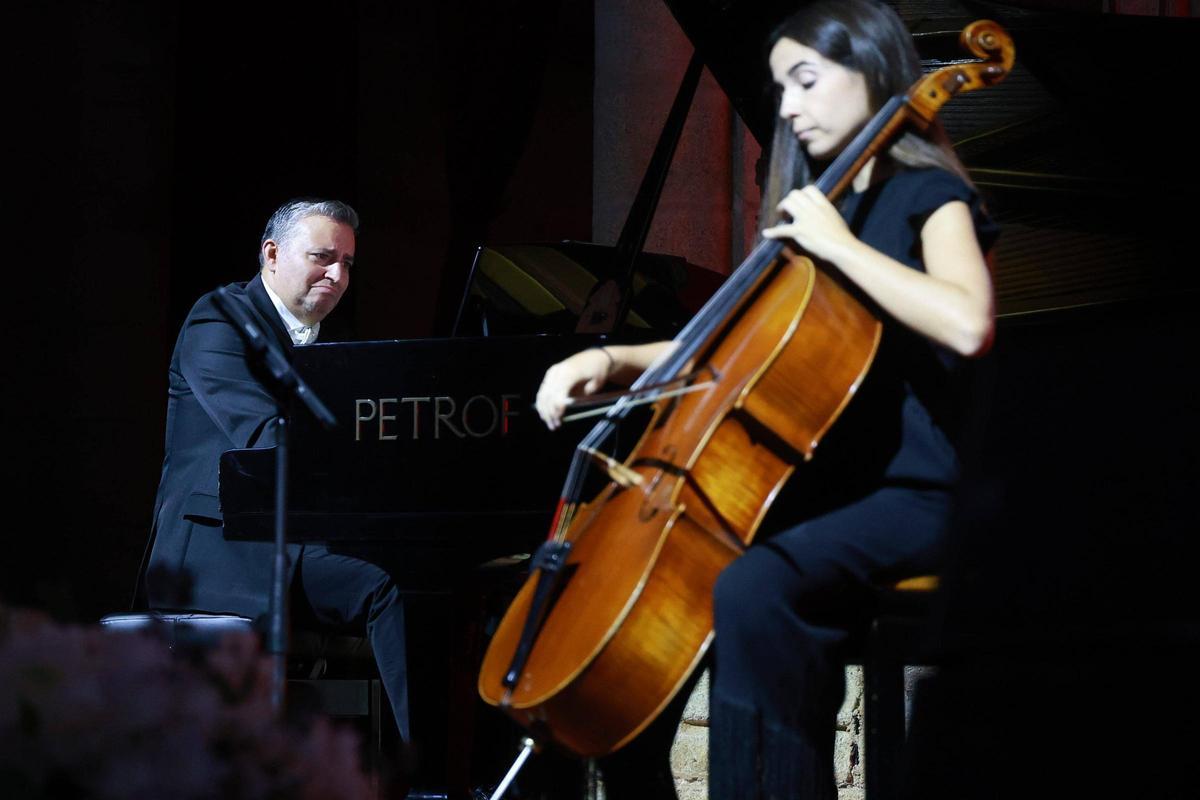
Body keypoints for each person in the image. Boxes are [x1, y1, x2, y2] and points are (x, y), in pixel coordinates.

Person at [534, 1, 998, 797]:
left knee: (753, 587)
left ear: (874, 74)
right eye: (781, 85)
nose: (786, 106)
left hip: (916, 491)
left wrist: (838, 246)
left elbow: (968, 323)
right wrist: (614, 360)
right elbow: (736, 347)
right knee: (660, 591)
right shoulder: (821, 208)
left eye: (807, 81)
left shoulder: (926, 196)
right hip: (828, 484)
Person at [143, 198, 409, 741]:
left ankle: (436, 770)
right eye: (322, 257)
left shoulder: (332, 346)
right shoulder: (216, 320)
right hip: (226, 547)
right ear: (271, 254)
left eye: (348, 263)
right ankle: (423, 772)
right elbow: (266, 436)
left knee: (428, 583)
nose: (337, 275)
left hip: (302, 542)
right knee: (388, 584)